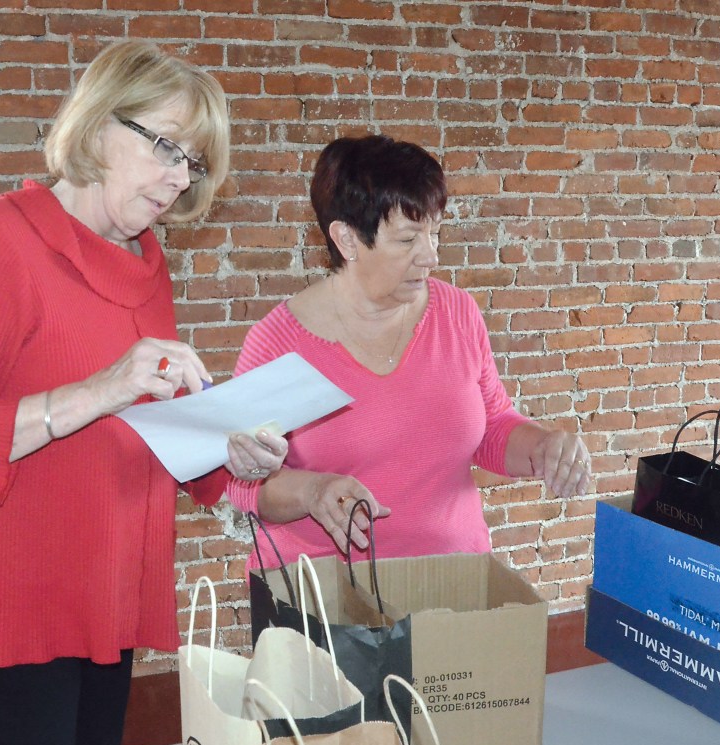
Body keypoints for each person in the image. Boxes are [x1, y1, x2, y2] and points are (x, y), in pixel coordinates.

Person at [0, 40, 287, 745]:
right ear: (100, 124)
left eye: (193, 164)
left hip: (104, 596)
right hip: (10, 606)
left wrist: (226, 454)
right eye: (167, 148)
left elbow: (142, 429)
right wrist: (98, 390)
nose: (179, 179)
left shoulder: (144, 265)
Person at [226, 134, 590, 570]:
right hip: (325, 593)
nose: (430, 256)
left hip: (454, 579)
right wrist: (312, 491)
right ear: (347, 239)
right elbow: (242, 483)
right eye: (407, 240)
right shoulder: (279, 344)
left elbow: (492, 426)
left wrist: (545, 447)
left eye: (435, 233)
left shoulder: (457, 314)